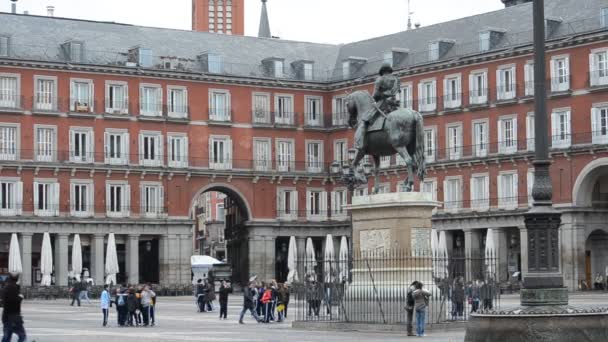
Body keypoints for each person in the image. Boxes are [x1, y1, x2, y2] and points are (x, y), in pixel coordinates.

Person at [353, 63, 400, 150]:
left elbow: (375, 95)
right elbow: (397, 91)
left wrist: (376, 98)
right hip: (394, 104)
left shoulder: (380, 79)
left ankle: (360, 143)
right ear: (390, 70)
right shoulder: (396, 79)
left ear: (382, 71)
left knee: (365, 120)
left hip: (383, 103)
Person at [1, 273, 26, 342]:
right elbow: (13, 301)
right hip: (14, 317)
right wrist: (20, 297)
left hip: (6, 316)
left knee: (7, 336)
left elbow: (4, 301)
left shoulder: (6, 287)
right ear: (17, 279)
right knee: (22, 336)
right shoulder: (14, 287)